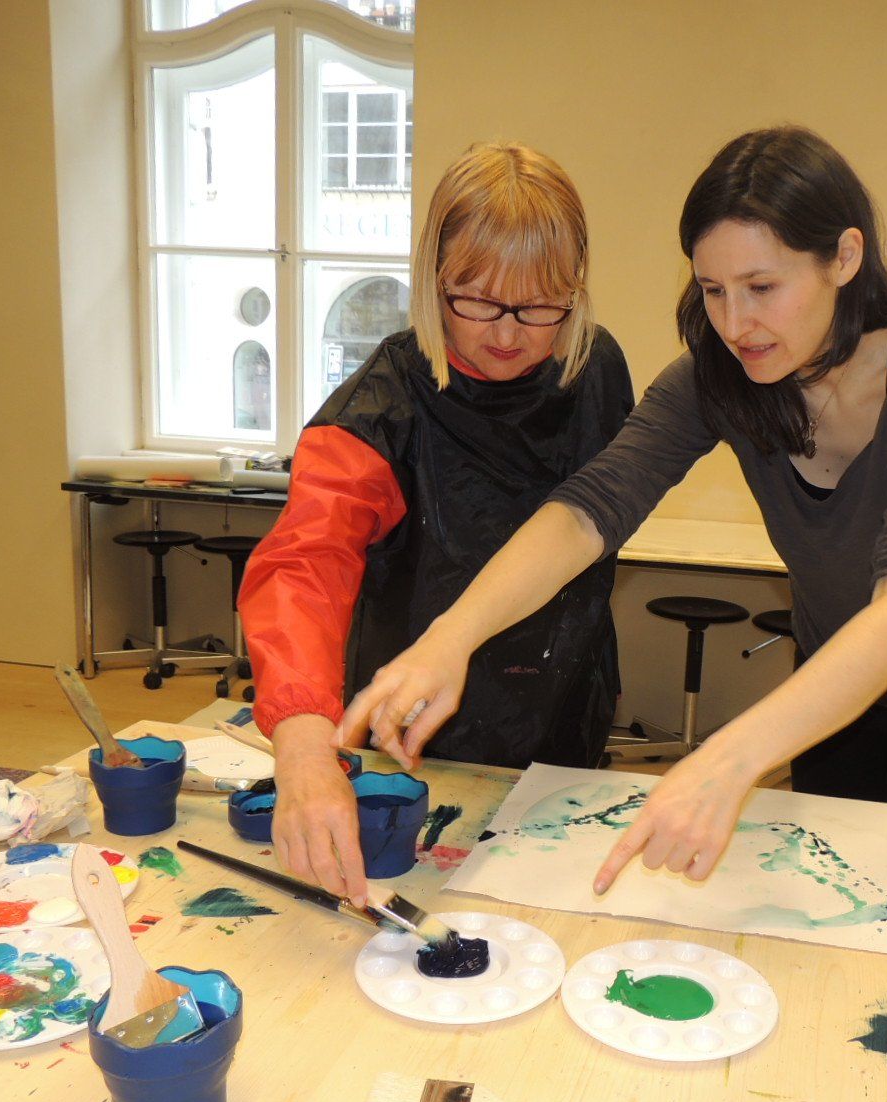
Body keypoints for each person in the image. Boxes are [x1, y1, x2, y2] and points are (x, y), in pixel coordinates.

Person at [338, 126, 887, 895]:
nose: (736, 323)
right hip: (832, 686)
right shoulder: (724, 373)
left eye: (762, 287)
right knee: (837, 892)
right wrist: (450, 638)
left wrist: (726, 758)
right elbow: (592, 507)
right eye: (713, 291)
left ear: (845, 257)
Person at [239, 142, 635, 906]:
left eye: (539, 305)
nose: (508, 333)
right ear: (432, 279)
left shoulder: (599, 370)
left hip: (563, 713)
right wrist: (303, 741)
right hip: (412, 740)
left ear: (576, 291)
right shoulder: (382, 406)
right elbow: (304, 565)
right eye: (477, 301)